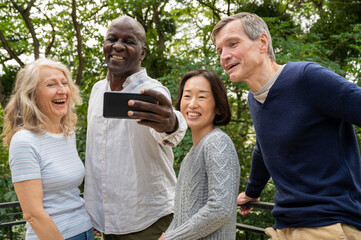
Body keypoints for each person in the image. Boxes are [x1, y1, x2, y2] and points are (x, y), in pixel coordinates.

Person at [211, 12, 361, 240]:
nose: (225, 56)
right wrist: (252, 192)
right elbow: (263, 147)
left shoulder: (306, 77)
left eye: (233, 44)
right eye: (220, 50)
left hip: (328, 224)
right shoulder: (254, 98)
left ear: (262, 43)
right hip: (285, 225)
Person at [84, 16, 187, 240]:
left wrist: (171, 123)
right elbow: (96, 156)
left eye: (129, 41)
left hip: (147, 221)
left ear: (142, 53)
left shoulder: (151, 90)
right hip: (107, 223)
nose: (118, 46)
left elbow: (170, 127)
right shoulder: (96, 90)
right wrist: (94, 212)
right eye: (112, 39)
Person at [2, 58, 93, 240]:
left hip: (85, 231)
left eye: (64, 83)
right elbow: (33, 214)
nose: (62, 90)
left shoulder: (68, 133)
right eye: (51, 84)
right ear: (32, 95)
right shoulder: (24, 141)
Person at [158, 70, 240, 240]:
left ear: (218, 107)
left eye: (201, 97)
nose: (192, 104)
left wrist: (171, 238)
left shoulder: (217, 142)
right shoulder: (191, 154)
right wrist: (170, 234)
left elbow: (220, 208)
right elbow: (182, 215)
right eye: (187, 96)